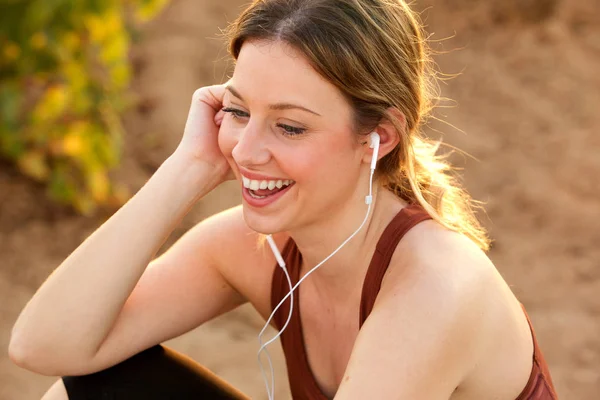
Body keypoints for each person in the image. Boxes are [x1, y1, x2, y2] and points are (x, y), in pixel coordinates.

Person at [8, 0, 558, 399]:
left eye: (290, 127)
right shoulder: (253, 248)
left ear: (380, 137)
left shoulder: (436, 288)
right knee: (98, 387)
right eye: (240, 111)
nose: (246, 151)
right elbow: (47, 347)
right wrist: (188, 168)